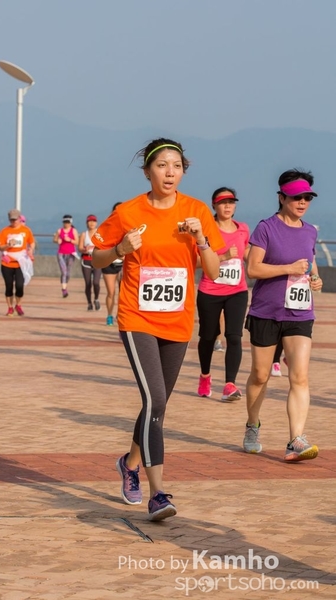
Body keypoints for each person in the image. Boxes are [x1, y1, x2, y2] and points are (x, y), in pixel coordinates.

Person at [92, 138, 224, 521]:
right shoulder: (129, 212)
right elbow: (96, 258)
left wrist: (201, 239)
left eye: (177, 166)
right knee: (156, 400)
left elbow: (214, 273)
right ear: (147, 171)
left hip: (177, 321)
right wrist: (120, 250)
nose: (170, 172)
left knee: (157, 404)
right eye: (162, 165)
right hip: (137, 318)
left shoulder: (196, 211)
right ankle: (158, 494)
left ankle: (129, 463)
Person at [243, 168, 323, 462]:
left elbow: (310, 263)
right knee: (260, 375)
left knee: (299, 376)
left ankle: (296, 440)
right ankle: (253, 425)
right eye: (296, 197)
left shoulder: (310, 230)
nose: (302, 202)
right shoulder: (266, 228)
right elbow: (253, 268)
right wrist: (288, 268)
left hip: (300, 313)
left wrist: (316, 279)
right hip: (266, 311)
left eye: (307, 198)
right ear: (281, 197)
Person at [197, 188, 250, 401]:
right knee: (208, 337)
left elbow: (247, 253)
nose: (227, 206)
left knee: (234, 336)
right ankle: (205, 376)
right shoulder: (206, 230)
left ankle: (230, 384)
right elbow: (197, 262)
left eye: (231, 201)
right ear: (214, 205)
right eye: (222, 202)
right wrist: (224, 256)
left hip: (237, 291)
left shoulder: (243, 229)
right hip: (210, 290)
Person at [0, 208, 35, 316]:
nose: (13, 222)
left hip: (20, 262)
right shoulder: (5, 231)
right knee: (8, 286)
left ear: (19, 218)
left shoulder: (26, 230)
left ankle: (18, 305)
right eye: (11, 220)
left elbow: (31, 242)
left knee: (19, 285)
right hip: (7, 263)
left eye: (15, 219)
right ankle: (10, 307)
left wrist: (31, 250)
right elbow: (0, 247)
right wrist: (8, 245)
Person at [101, 202, 123, 325]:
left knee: (123, 293)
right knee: (111, 292)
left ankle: (120, 315)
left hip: (123, 264)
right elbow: (101, 245)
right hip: (109, 264)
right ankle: (109, 315)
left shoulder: (129, 227)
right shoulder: (107, 226)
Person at [79, 215, 102, 311]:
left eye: (93, 221)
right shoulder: (84, 234)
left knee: (96, 282)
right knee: (88, 283)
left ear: (96, 223)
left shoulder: (100, 234)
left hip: (97, 260)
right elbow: (80, 248)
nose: (92, 223)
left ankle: (96, 299)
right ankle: (89, 303)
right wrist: (85, 249)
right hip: (86, 260)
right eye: (90, 221)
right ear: (87, 223)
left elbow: (105, 246)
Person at [53, 215, 79, 298]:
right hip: (61, 253)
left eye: (68, 222)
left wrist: (70, 240)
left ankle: (65, 285)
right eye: (65, 222)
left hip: (71, 254)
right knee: (64, 271)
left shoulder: (74, 231)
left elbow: (77, 242)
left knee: (68, 273)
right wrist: (58, 240)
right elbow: (54, 239)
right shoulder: (59, 231)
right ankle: (64, 290)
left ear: (71, 222)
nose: (66, 224)